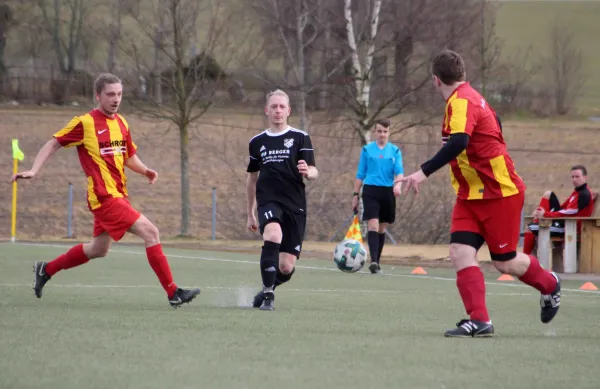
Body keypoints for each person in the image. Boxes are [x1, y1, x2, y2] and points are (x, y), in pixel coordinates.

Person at [399, 50, 561, 337]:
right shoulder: (469, 98)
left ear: (435, 80)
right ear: (461, 74)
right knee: (459, 251)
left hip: (500, 194)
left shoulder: (462, 100)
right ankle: (480, 320)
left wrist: (422, 172)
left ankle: (550, 284)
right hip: (470, 195)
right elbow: (491, 130)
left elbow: (460, 141)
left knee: (505, 262)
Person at [11, 73, 200, 309]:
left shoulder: (121, 123)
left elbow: (128, 155)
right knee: (151, 232)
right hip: (103, 197)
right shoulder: (84, 123)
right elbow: (53, 143)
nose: (116, 99)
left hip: (119, 195)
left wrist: (145, 171)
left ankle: (46, 269)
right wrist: (34, 170)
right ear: (97, 95)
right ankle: (174, 293)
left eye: (119, 94)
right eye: (110, 94)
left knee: (98, 249)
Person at [246, 89, 318, 311]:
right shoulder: (257, 142)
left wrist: (308, 171)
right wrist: (250, 212)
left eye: (282, 107)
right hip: (269, 201)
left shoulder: (300, 137)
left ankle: (268, 288)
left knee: (286, 268)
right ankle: (268, 296)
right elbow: (252, 178)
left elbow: (314, 171)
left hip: (295, 204)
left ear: (289, 111)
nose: (278, 111)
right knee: (273, 234)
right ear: (267, 110)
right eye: (274, 107)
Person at [352, 118, 404, 273]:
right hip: (370, 190)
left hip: (387, 191)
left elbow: (399, 171)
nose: (382, 134)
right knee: (372, 225)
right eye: (380, 131)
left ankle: (377, 261)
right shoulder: (367, 150)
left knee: (382, 228)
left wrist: (398, 185)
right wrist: (355, 194)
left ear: (389, 133)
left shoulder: (394, 151)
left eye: (385, 131)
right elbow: (360, 173)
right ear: (375, 132)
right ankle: (373, 261)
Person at [523, 165, 594, 254]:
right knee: (548, 194)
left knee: (529, 228)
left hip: (569, 227)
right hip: (563, 222)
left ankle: (526, 257)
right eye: (572, 177)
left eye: (577, 177)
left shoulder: (584, 194)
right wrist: (541, 212)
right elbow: (564, 207)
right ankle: (537, 219)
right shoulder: (577, 192)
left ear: (585, 177)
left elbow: (570, 212)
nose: (574, 179)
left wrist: (546, 214)